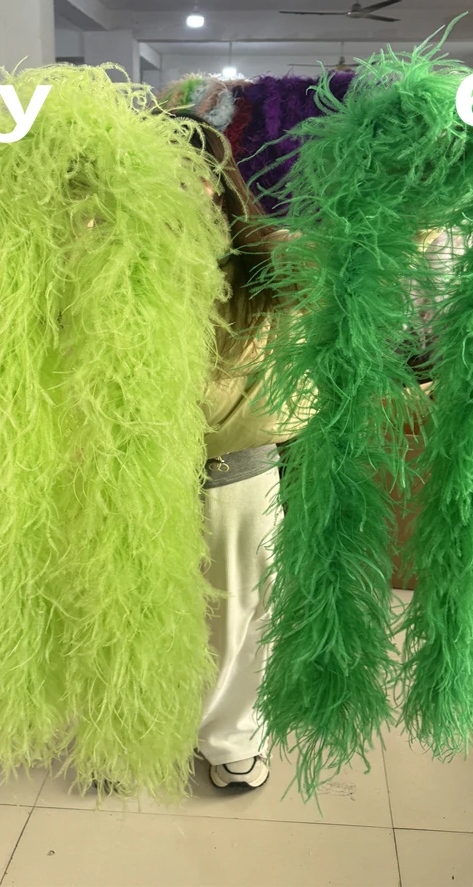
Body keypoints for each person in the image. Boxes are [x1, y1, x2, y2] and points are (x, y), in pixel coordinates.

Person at [178, 116, 296, 791]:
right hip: (122, 471)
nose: (178, 188)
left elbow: (333, 271)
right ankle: (128, 729)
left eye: (194, 173)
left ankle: (228, 736)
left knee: (235, 612)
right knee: (122, 605)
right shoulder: (99, 256)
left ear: (220, 182)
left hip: (231, 467)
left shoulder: (262, 257)